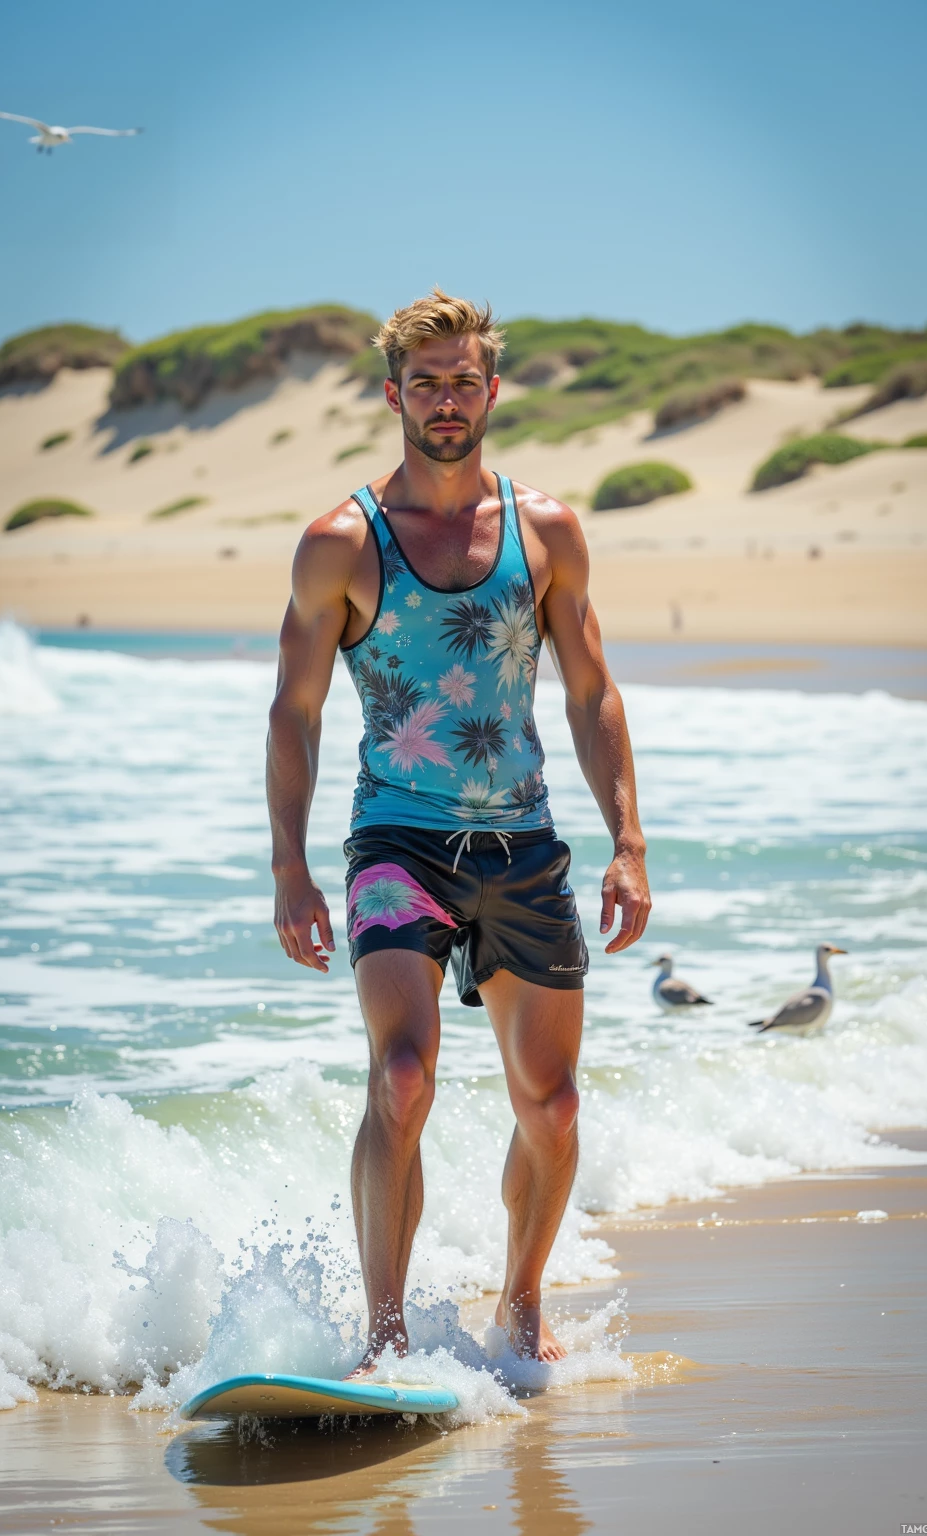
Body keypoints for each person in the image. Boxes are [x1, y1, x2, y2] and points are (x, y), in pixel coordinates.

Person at [267, 289, 650, 1369]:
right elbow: (292, 713)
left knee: (556, 1104)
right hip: (396, 844)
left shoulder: (546, 531)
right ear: (393, 394)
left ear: (493, 389)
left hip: (523, 846)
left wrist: (628, 840)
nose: (445, 400)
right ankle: (385, 1339)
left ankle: (521, 1302)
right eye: (424, 383)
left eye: (463, 380)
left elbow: (591, 692)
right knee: (401, 1077)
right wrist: (290, 868)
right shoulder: (341, 544)